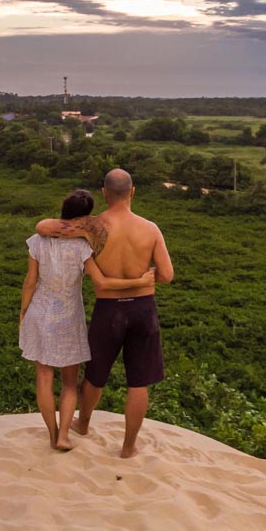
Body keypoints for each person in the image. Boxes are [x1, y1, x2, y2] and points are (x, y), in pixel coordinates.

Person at [35, 168, 174, 458]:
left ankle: (83, 424)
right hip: (142, 308)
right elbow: (167, 275)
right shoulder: (150, 229)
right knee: (138, 381)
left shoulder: (92, 226)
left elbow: (43, 226)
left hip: (109, 309)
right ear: (133, 192)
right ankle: (127, 448)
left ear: (104, 194)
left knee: (95, 375)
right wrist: (144, 278)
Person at [19, 188, 152, 451]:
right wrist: (140, 281)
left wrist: (23, 312)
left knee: (43, 378)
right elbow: (101, 282)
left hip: (40, 311)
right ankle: (64, 436)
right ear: (85, 216)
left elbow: (30, 281)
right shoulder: (82, 245)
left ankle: (52, 434)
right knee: (70, 383)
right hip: (68, 316)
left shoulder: (37, 240)